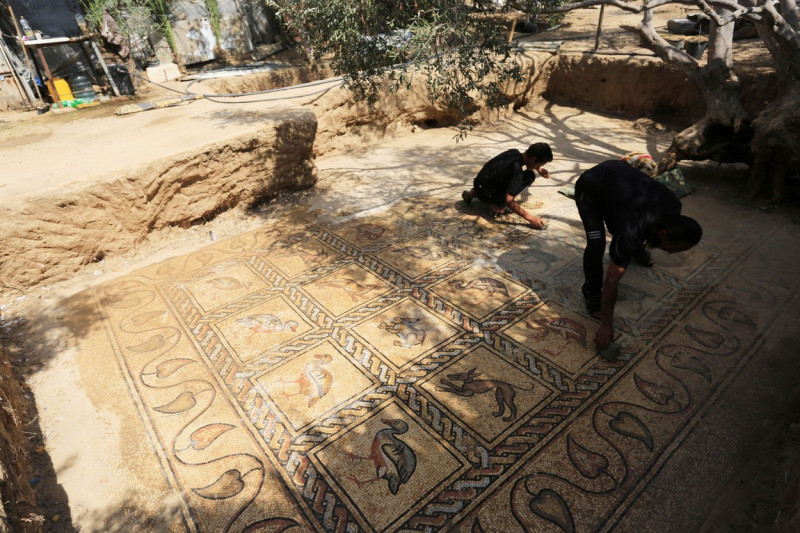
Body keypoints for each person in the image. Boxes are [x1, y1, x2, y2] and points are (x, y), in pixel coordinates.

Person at [575, 160, 702, 350]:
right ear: (663, 234)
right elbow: (611, 281)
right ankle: (591, 295)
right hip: (590, 188)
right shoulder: (631, 229)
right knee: (596, 243)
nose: (671, 252)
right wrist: (606, 325)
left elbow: (644, 221)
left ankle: (634, 250)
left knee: (629, 240)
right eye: (673, 248)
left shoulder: (673, 205)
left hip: (618, 179)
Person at [462, 143, 553, 229]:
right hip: (488, 196)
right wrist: (530, 218)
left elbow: (531, 160)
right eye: (539, 164)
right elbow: (509, 200)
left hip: (478, 185)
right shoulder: (517, 172)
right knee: (530, 176)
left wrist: (539, 169)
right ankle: (498, 206)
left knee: (499, 175)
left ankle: (472, 193)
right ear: (534, 159)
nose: (539, 166)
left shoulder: (513, 152)